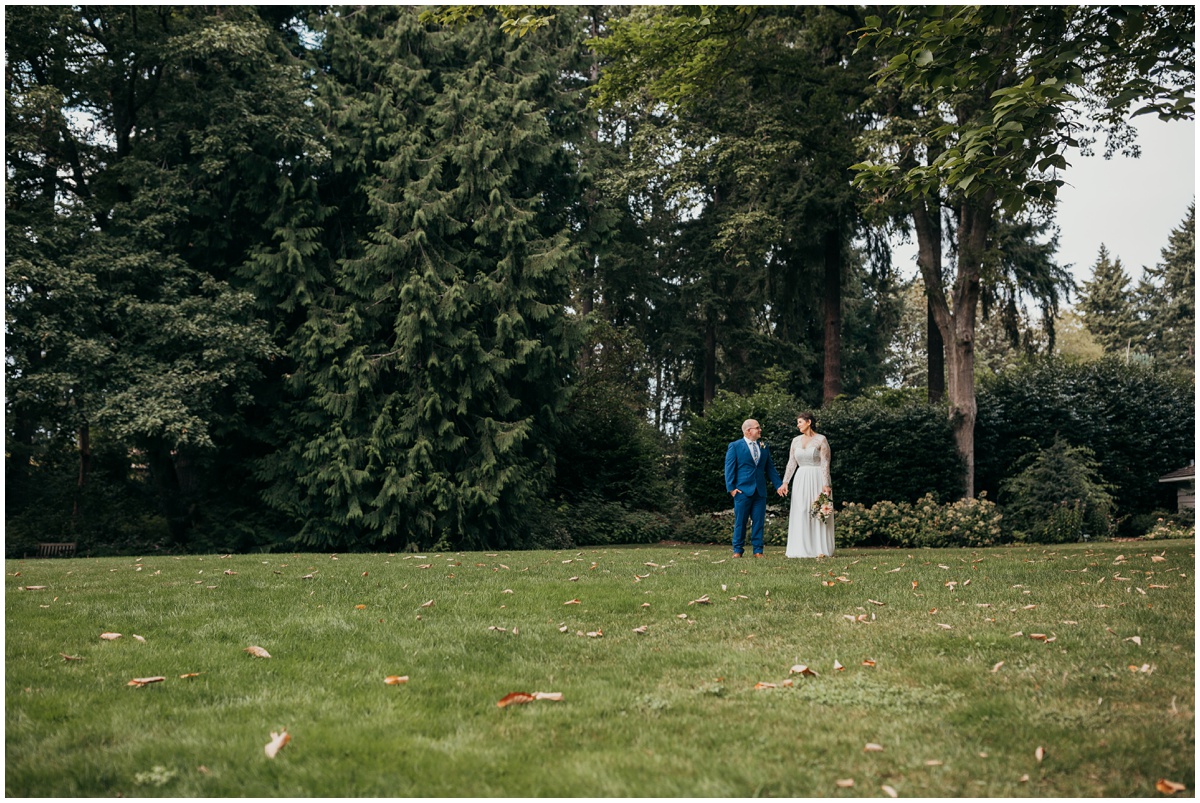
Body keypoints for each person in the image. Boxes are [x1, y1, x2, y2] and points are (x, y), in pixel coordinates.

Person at [724, 419, 785, 558]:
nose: (760, 430)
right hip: (742, 491)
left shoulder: (764, 446)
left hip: (760, 491)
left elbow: (770, 468)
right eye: (757, 428)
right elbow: (729, 469)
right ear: (748, 431)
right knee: (740, 521)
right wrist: (732, 489)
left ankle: (758, 550)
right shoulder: (735, 446)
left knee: (758, 522)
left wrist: (779, 485)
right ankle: (737, 550)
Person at [779, 412, 835, 558]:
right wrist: (785, 482)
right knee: (801, 509)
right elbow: (791, 462)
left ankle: (820, 548)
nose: (798, 425)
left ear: (808, 422)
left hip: (817, 478)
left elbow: (825, 462)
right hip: (800, 478)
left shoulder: (821, 439)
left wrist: (826, 483)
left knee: (817, 511)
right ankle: (800, 548)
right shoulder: (795, 441)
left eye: (800, 422)